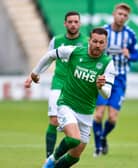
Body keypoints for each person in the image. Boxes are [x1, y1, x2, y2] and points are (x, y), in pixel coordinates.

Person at [27, 28, 116, 168]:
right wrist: (35, 72)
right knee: (74, 139)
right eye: (95, 41)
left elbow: (107, 93)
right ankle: (51, 159)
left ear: (105, 44)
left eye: (101, 42)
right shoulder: (74, 51)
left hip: (86, 112)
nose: (97, 45)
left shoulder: (108, 63)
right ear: (89, 41)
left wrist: (101, 87)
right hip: (66, 104)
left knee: (75, 156)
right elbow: (50, 55)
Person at [24, 11, 88, 158]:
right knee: (53, 119)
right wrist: (34, 74)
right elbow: (48, 58)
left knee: (75, 129)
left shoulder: (87, 42)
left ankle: (65, 157)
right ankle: (49, 157)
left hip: (77, 88)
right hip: (58, 83)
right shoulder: (56, 40)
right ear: (65, 23)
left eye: (75, 21)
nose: (73, 24)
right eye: (70, 22)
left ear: (80, 23)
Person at [93, 3, 138, 156]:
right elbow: (92, 50)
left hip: (119, 80)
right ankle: (98, 147)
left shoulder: (130, 34)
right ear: (114, 14)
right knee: (99, 114)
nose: (122, 17)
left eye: (125, 15)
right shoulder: (103, 32)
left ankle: (103, 136)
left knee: (112, 118)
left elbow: (136, 56)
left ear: (127, 18)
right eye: (120, 14)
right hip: (104, 77)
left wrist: (129, 55)